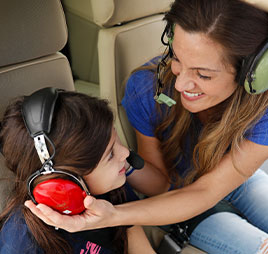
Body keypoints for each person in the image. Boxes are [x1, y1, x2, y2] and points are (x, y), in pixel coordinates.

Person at [25, 0, 268, 253]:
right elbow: (161, 186)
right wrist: (117, 200)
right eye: (176, 58)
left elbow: (211, 189)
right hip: (178, 197)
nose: (181, 84)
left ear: (253, 73)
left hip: (237, 180)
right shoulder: (146, 88)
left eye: (203, 75)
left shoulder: (263, 103)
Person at [0, 88, 157, 254]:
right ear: (64, 182)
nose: (125, 153)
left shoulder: (113, 189)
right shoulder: (22, 243)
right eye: (110, 154)